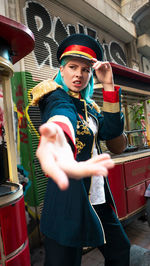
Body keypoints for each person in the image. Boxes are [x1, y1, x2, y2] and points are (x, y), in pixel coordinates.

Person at [31, 33, 130, 266]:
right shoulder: (52, 95)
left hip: (98, 198)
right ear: (61, 70)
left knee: (120, 250)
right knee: (65, 261)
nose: (79, 74)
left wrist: (107, 83)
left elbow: (113, 134)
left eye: (86, 70)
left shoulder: (91, 109)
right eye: (73, 67)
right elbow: (60, 114)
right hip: (68, 199)